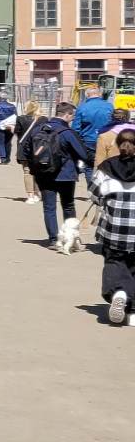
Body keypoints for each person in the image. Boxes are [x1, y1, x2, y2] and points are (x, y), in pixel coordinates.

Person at [22, 101, 88, 251]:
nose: (73, 119)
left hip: (43, 174)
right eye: (72, 116)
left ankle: (53, 239)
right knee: (68, 206)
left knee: (49, 207)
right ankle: (70, 238)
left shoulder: (38, 129)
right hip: (66, 174)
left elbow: (26, 150)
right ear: (67, 115)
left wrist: (35, 168)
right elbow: (83, 153)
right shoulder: (67, 133)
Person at [91, 130, 135, 324]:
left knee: (114, 262)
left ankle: (118, 292)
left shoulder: (106, 167)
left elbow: (94, 194)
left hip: (113, 228)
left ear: (118, 144)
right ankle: (132, 312)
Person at [72, 86, 115, 184]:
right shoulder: (109, 106)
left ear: (87, 95)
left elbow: (76, 128)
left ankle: (91, 191)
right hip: (106, 139)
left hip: (88, 140)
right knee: (106, 165)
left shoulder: (82, 107)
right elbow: (114, 122)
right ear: (99, 94)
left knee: (89, 167)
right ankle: (104, 190)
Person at [13, 101, 45, 201]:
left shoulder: (21, 119)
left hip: (24, 148)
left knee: (27, 172)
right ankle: (37, 194)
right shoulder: (43, 119)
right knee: (38, 172)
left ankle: (30, 195)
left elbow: (17, 132)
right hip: (39, 148)